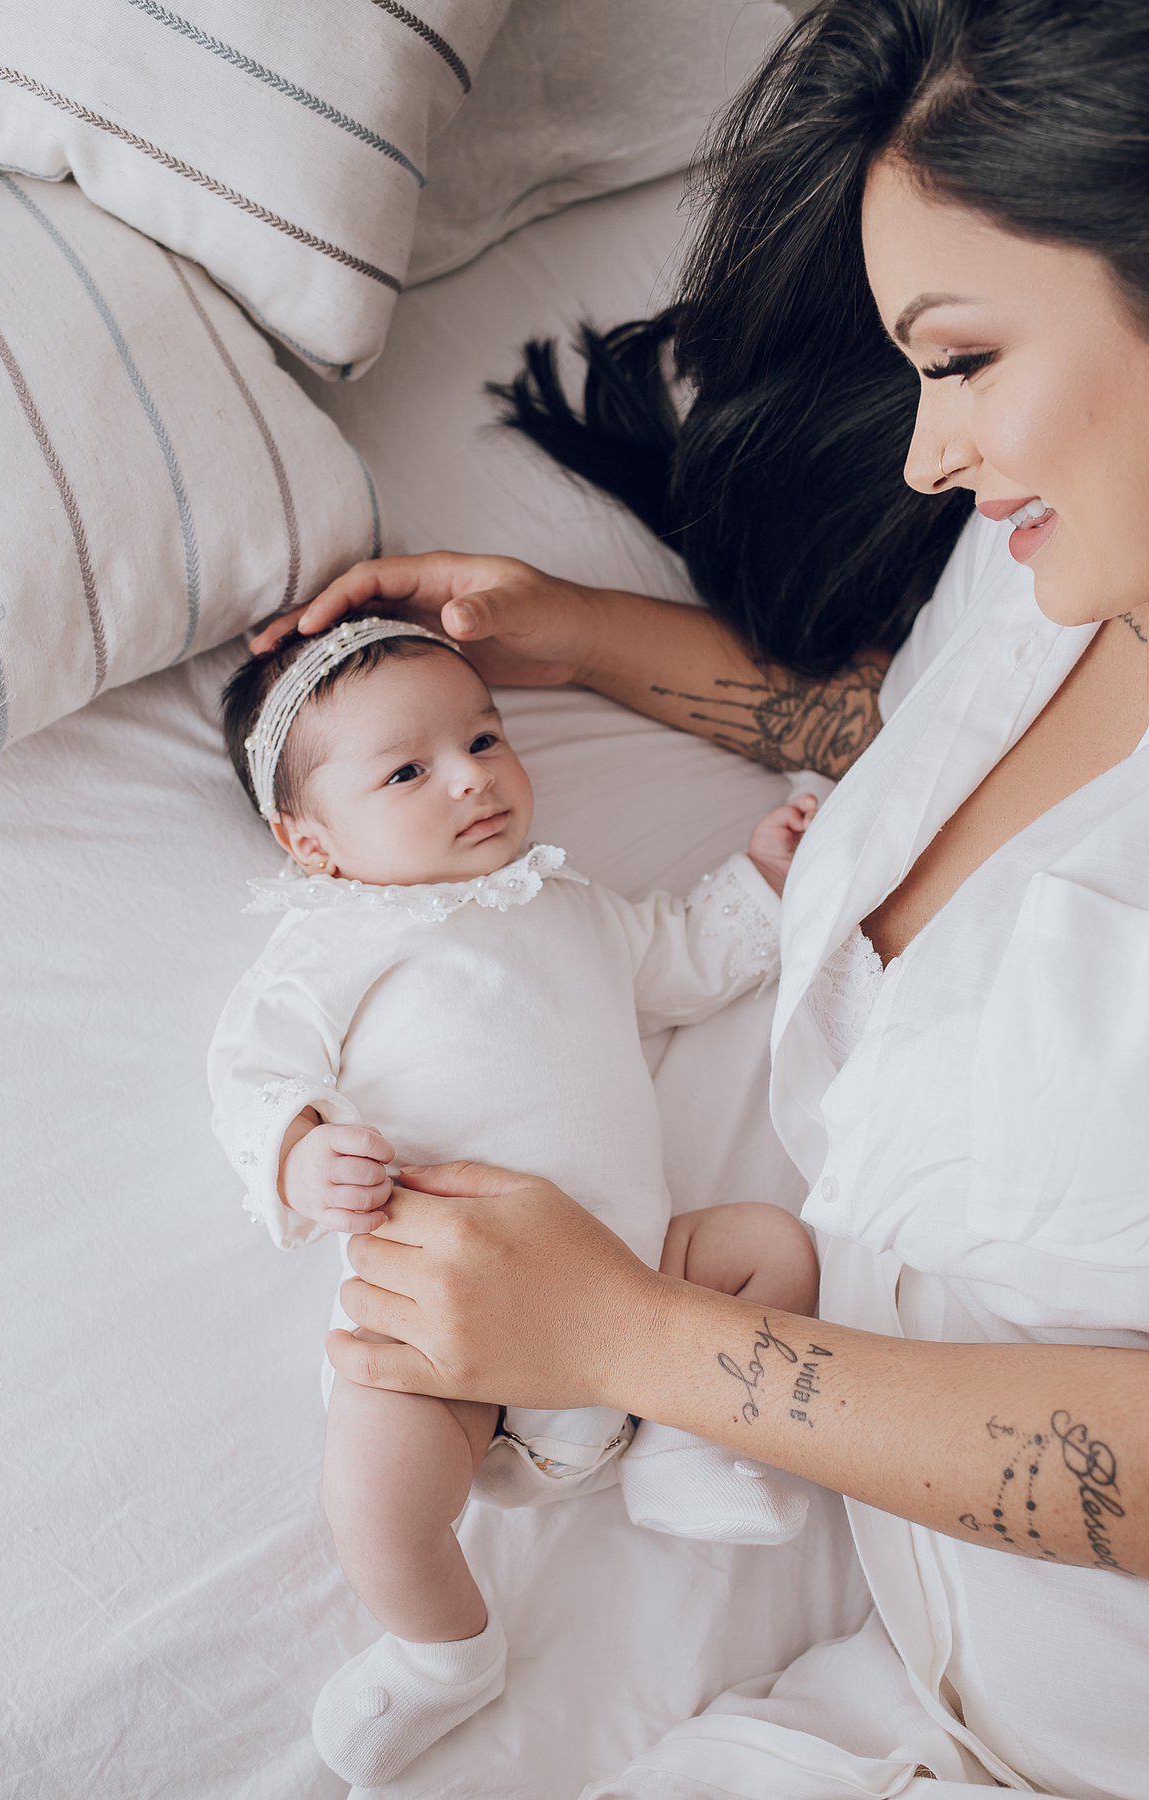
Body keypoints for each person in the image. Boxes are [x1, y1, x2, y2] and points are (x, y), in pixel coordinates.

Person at [256, 2, 1149, 1794]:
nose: (926, 455)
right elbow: (908, 753)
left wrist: (633, 1341)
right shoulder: (1049, 564)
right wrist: (573, 640)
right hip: (891, 1691)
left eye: (963, 358)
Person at [208, 615, 821, 1787]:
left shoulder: (569, 901)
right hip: (445, 1332)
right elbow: (252, 1070)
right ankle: (444, 1650)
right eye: (408, 771)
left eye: (484, 738)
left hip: (639, 1283)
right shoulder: (333, 941)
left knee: (771, 1251)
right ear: (312, 843)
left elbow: (683, 960)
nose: (471, 777)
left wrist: (762, 878)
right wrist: (300, 1155)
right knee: (374, 1491)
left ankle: (682, 1441)